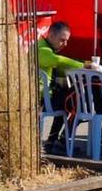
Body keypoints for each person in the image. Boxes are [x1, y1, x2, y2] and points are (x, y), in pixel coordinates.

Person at [36, 19, 85, 150]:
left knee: (72, 99)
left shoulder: (43, 46)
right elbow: (56, 60)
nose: (65, 44)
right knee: (79, 100)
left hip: (46, 96)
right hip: (40, 100)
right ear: (51, 35)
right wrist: (83, 65)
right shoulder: (42, 49)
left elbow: (57, 65)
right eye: (62, 40)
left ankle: (54, 141)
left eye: (67, 40)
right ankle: (61, 140)